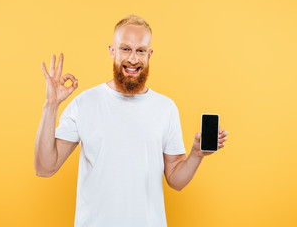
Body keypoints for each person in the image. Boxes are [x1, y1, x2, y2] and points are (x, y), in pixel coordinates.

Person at [34, 14, 228, 227]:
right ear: (112, 51)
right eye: (125, 49)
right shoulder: (85, 103)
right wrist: (51, 105)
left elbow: (175, 180)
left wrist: (196, 154)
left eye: (140, 50)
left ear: (149, 54)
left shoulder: (166, 108)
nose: (133, 59)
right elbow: (45, 167)